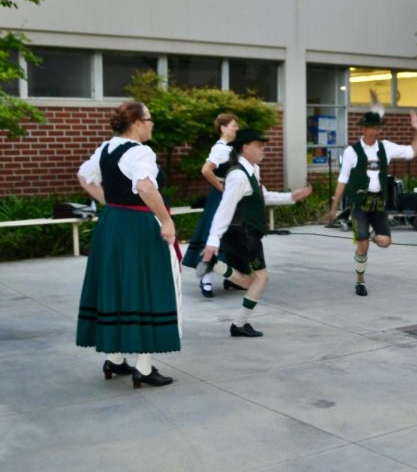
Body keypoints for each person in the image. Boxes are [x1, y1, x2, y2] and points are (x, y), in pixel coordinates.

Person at [76, 101, 180, 388]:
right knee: (144, 288)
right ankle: (143, 369)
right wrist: (166, 221)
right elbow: (145, 187)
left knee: (119, 287)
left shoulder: (107, 148)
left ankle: (116, 359)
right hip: (138, 227)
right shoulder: (140, 152)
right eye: (150, 119)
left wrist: (111, 203)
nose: (152, 124)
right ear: (136, 122)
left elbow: (84, 177)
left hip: (112, 224)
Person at [199, 128, 312, 337]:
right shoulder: (237, 175)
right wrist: (212, 241)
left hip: (245, 234)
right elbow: (225, 209)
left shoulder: (252, 171)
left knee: (250, 282)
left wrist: (291, 197)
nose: (263, 149)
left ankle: (218, 267)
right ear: (244, 148)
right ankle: (239, 323)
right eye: (259, 145)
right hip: (244, 234)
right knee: (261, 279)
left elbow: (263, 197)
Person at [327, 92, 417, 297]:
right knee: (363, 245)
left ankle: (367, 234)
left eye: (378, 127)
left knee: (385, 242)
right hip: (360, 204)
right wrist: (334, 206)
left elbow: (412, 152)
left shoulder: (386, 147)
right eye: (372, 127)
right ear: (364, 128)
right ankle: (360, 281)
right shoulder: (352, 152)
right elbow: (343, 179)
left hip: (378, 204)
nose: (375, 131)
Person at [182, 113, 241, 298]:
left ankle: (231, 278)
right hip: (221, 198)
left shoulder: (231, 148)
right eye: (233, 125)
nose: (236, 128)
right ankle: (205, 279)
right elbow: (206, 169)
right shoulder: (220, 149)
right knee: (214, 235)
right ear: (223, 127)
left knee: (232, 236)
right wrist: (221, 187)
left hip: (231, 196)